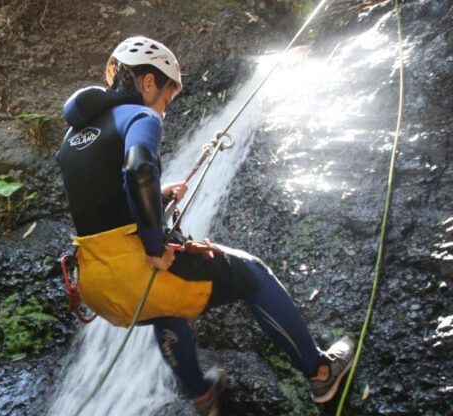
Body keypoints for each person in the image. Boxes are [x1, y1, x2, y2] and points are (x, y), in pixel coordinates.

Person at [55, 36, 354, 416]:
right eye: (167, 96)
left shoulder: (75, 136)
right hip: (136, 270)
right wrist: (155, 246)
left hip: (96, 285)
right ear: (149, 82)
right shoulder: (140, 117)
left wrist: (158, 195)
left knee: (166, 304)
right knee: (254, 274)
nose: (165, 107)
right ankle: (320, 372)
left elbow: (101, 201)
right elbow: (138, 169)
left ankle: (202, 397)